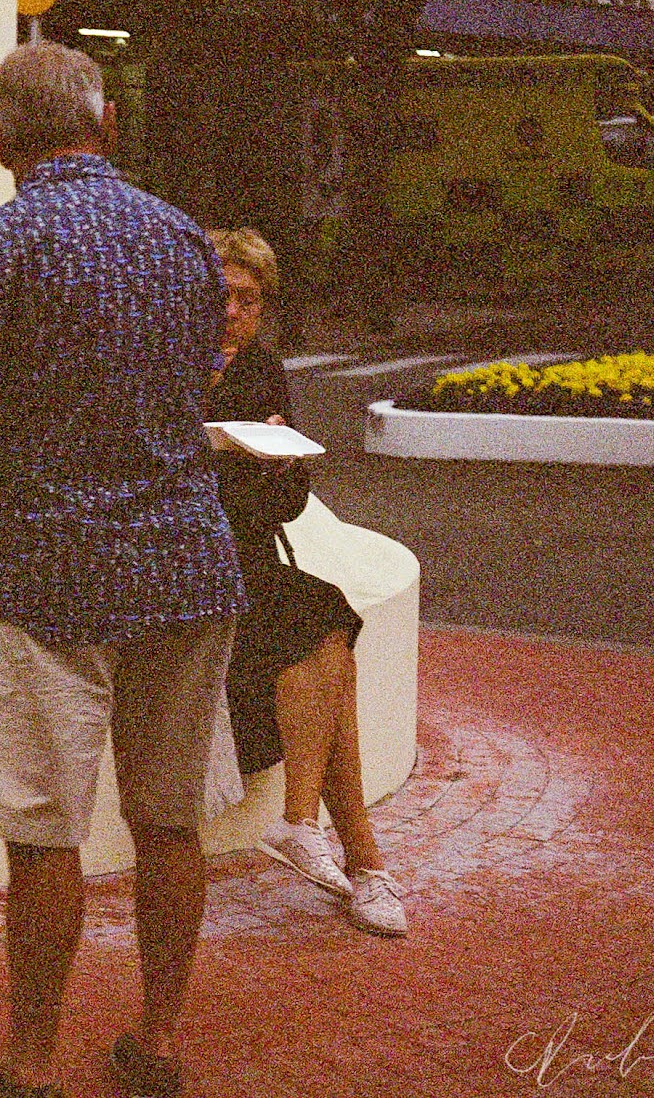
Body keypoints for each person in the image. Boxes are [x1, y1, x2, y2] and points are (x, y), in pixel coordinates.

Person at [0, 43, 249, 1098]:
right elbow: (195, 384)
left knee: (42, 828)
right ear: (104, 125)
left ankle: (30, 1061)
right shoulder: (183, 238)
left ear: (0, 138)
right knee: (169, 819)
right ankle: (159, 1040)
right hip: (187, 557)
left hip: (59, 567)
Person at [205, 227, 407, 937]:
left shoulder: (262, 367)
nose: (233, 312)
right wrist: (224, 457)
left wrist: (275, 466)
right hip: (186, 567)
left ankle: (312, 831)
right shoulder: (165, 366)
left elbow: (290, 501)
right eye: (222, 295)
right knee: (327, 639)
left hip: (247, 558)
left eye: (249, 300)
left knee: (325, 627)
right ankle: (361, 859)